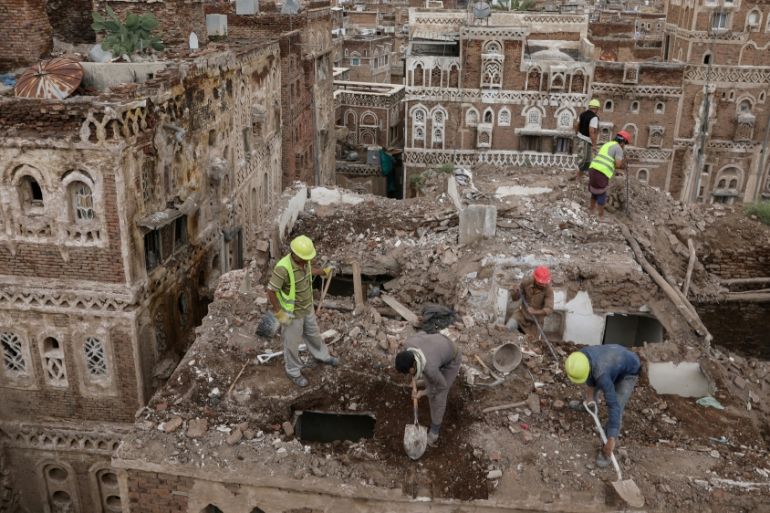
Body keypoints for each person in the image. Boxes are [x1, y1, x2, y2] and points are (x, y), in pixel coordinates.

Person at [266, 235, 338, 387]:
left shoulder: (304, 263)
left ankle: (322, 356)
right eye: (306, 258)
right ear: (296, 255)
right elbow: (271, 291)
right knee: (291, 344)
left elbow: (310, 271)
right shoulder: (282, 268)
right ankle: (293, 372)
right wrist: (280, 313)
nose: (308, 261)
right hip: (292, 314)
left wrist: (323, 272)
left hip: (307, 308)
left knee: (314, 335)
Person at [564, 345, 641, 467]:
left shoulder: (602, 376)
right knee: (594, 380)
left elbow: (613, 406)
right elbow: (590, 378)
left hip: (629, 370)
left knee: (618, 406)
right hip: (612, 359)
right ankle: (587, 406)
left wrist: (611, 438)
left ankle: (607, 449)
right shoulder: (580, 357)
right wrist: (590, 399)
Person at [395, 332, 462, 446]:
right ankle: (430, 380)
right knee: (429, 378)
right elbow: (422, 333)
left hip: (452, 358)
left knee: (437, 395)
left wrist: (423, 392)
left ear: (412, 367)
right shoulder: (408, 344)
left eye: (408, 372)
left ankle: (435, 432)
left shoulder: (429, 367)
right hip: (439, 344)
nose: (407, 375)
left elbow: (442, 386)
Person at [587, 130, 630, 221]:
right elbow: (618, 165)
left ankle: (591, 211)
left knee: (595, 191)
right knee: (602, 193)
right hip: (601, 171)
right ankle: (601, 216)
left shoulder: (608, 144)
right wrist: (624, 164)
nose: (624, 146)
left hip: (592, 168)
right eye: (624, 144)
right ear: (622, 142)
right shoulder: (618, 148)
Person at [506, 266, 554, 336]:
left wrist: (535, 311)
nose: (543, 285)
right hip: (521, 315)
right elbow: (515, 298)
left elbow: (549, 310)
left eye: (545, 283)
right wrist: (516, 292)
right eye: (541, 283)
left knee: (530, 344)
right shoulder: (527, 282)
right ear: (535, 278)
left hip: (535, 322)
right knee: (507, 329)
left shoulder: (548, 290)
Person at [572, 98, 601, 181]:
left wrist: (577, 133)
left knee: (586, 158)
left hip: (581, 138)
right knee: (584, 158)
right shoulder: (594, 118)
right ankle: (578, 175)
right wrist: (594, 145)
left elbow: (577, 125)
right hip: (586, 140)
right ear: (596, 108)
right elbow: (592, 131)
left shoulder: (582, 114)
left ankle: (580, 175)